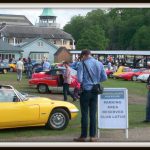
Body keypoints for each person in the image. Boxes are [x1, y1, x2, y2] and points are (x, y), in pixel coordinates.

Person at [74, 50, 107, 142]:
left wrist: (86, 81)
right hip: (95, 91)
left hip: (86, 90)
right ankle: (93, 136)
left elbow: (80, 79)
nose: (82, 58)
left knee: (84, 114)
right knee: (93, 114)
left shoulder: (82, 64)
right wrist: (95, 81)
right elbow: (104, 78)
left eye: (82, 56)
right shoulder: (99, 63)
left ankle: (83, 136)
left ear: (84, 55)